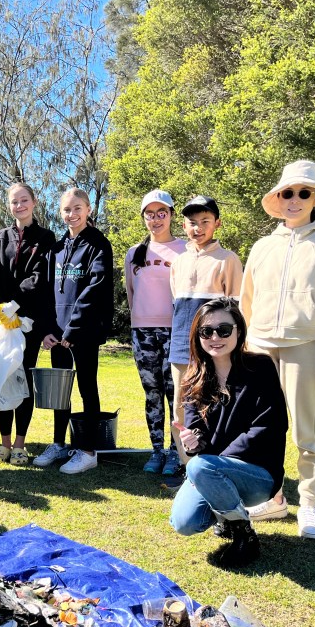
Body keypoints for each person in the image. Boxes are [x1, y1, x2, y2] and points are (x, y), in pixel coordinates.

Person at [240, 160, 315, 539]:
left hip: (306, 345)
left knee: (308, 430)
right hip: (259, 345)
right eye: (287, 192)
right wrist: (239, 348)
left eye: (304, 192)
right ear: (278, 197)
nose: (295, 199)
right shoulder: (262, 246)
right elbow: (247, 300)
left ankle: (309, 504)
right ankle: (272, 498)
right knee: (260, 429)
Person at [169, 298, 288, 568]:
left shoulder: (260, 367)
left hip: (258, 473)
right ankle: (226, 515)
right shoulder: (193, 378)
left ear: (239, 331)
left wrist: (212, 462)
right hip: (211, 468)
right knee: (184, 522)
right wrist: (193, 441)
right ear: (197, 335)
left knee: (200, 467)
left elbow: (269, 426)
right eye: (206, 331)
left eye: (224, 330)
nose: (215, 337)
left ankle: (243, 534)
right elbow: (196, 438)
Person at [36, 188, 114, 474]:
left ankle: (87, 450)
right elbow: (45, 293)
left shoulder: (98, 244)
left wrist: (74, 328)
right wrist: (47, 330)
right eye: (67, 209)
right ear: (61, 212)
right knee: (60, 392)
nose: (72, 214)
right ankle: (59, 444)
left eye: (78, 208)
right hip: (57, 335)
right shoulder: (56, 249)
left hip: (84, 332)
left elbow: (96, 288)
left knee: (86, 389)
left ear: (89, 209)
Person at [0, 182, 56, 465]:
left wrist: (17, 306)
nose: (19, 206)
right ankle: (3, 444)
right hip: (2, 324)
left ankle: (20, 445)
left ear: (34, 202)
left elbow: (40, 277)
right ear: (9, 205)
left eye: (24, 200)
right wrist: (0, 308)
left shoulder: (46, 238)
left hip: (28, 324)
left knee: (22, 380)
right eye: (14, 202)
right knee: (1, 380)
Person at [169, 195, 243, 463]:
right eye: (192, 222)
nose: (197, 227)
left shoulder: (228, 260)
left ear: (217, 224)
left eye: (205, 221)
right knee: (180, 411)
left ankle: (218, 465)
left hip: (216, 349)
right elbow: (177, 307)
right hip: (180, 347)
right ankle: (187, 467)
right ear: (184, 225)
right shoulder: (178, 262)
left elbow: (237, 310)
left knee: (214, 409)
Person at [124, 189, 186, 476]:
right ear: (144, 218)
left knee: (176, 393)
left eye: (162, 213)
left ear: (172, 215)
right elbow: (131, 293)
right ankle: (156, 451)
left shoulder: (186, 249)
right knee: (152, 393)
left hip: (175, 330)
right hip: (142, 331)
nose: (156, 219)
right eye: (150, 214)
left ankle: (177, 453)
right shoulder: (134, 253)